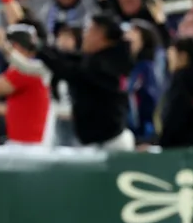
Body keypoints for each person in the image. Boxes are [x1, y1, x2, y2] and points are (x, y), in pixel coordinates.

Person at [11, 13, 135, 150]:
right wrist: (37, 46)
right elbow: (68, 58)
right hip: (96, 141)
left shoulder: (108, 64)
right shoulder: (100, 58)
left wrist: (39, 49)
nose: (84, 36)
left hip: (111, 143)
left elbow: (69, 70)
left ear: (100, 34)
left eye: (88, 31)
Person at [0, 24, 52, 145]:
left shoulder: (24, 71)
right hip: (28, 142)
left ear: (15, 46)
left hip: (26, 145)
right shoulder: (32, 67)